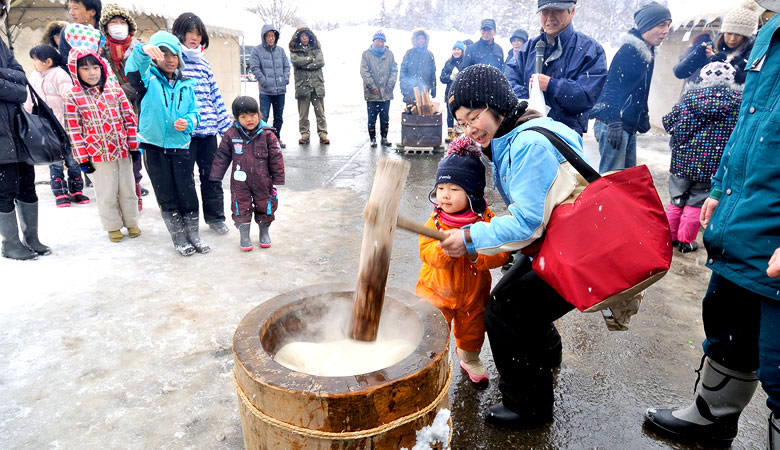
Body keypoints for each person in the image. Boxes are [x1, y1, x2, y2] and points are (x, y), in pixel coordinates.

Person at [644, 5, 780, 447]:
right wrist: (721, 186)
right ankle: (712, 416)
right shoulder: (770, 32)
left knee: (779, 362)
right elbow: (747, 123)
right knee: (727, 324)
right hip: (746, 217)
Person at [439, 64, 588, 429]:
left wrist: (471, 238)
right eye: (461, 121)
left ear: (497, 105)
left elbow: (527, 222)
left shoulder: (528, 144)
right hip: (562, 239)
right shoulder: (520, 131)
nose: (469, 128)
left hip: (576, 247)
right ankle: (547, 355)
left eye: (474, 116)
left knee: (505, 312)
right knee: (515, 299)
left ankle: (529, 408)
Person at [416, 136, 510, 384]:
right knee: (432, 331)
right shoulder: (435, 221)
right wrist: (442, 251)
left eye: (455, 189)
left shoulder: (485, 221)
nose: (445, 195)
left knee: (472, 333)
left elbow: (500, 253)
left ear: (472, 194)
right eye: (441, 188)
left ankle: (469, 358)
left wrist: (473, 252)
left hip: (473, 294)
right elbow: (425, 252)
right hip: (435, 292)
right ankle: (430, 360)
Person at [125, 31, 207, 256]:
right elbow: (132, 69)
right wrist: (142, 51)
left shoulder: (186, 84)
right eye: (164, 54)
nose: (170, 59)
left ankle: (193, 234)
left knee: (187, 191)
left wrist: (189, 122)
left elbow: (196, 112)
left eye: (174, 55)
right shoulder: (147, 79)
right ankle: (178, 236)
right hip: (154, 146)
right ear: (156, 57)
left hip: (180, 146)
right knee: (166, 193)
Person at [662, 62, 742, 254]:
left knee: (676, 200)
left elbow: (669, 123)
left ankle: (667, 237)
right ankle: (686, 241)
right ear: (730, 78)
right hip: (711, 165)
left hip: (682, 161)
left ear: (703, 78)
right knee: (696, 202)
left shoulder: (690, 98)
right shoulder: (738, 102)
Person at [63, 45, 140, 242]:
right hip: (97, 155)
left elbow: (129, 119)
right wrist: (82, 158)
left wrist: (133, 146)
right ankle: (113, 225)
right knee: (107, 193)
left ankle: (132, 221)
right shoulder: (73, 97)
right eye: (85, 68)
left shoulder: (114, 91)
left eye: (95, 67)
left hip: (122, 151)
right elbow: (74, 130)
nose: (91, 72)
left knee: (128, 190)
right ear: (75, 71)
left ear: (102, 68)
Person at [505, 0, 607, 136]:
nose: (550, 18)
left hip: (565, 138)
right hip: (526, 134)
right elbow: (507, 84)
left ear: (572, 11)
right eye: (545, 12)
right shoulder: (528, 49)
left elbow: (586, 98)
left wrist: (552, 85)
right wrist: (531, 101)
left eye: (557, 11)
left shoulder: (590, 50)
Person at [591, 2, 671, 173]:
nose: (666, 31)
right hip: (612, 123)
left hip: (627, 124)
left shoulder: (647, 52)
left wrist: (643, 115)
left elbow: (641, 89)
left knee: (627, 179)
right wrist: (613, 122)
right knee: (612, 179)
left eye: (668, 25)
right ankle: (602, 201)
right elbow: (610, 88)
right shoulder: (629, 51)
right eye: (662, 24)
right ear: (647, 25)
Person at [172, 12, 232, 235]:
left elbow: (215, 95)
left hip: (208, 132)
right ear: (180, 33)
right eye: (190, 32)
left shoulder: (204, 63)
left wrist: (226, 127)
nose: (194, 37)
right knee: (185, 180)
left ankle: (215, 217)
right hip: (184, 133)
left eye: (198, 33)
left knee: (212, 175)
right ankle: (190, 220)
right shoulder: (174, 62)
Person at [0, 0, 51, 260]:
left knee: (26, 184)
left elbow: (21, 77)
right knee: (5, 187)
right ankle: (10, 244)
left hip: (16, 127)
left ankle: (32, 238)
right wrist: (11, 82)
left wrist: (7, 80)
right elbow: (14, 80)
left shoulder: (0, 42)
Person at [210, 97, 285, 251]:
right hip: (240, 182)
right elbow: (222, 156)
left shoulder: (268, 134)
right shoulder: (231, 134)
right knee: (240, 207)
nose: (249, 120)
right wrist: (216, 175)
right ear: (237, 118)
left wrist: (278, 177)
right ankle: (244, 235)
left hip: (263, 180)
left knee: (266, 205)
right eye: (243, 117)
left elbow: (276, 156)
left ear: (258, 114)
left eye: (252, 115)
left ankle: (264, 231)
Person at [24, 45, 87, 208]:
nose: (34, 64)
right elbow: (29, 98)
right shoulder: (34, 76)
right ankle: (59, 192)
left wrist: (76, 118)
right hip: (47, 127)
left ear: (48, 61)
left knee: (73, 160)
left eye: (36, 60)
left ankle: (76, 190)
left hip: (67, 125)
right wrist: (28, 115)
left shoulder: (60, 74)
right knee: (55, 160)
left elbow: (69, 97)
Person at [99, 3, 147, 211]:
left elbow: (143, 79)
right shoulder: (101, 53)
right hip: (110, 111)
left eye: (122, 22)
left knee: (136, 151)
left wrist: (120, 90)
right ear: (106, 28)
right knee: (117, 154)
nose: (118, 26)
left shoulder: (139, 49)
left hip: (138, 109)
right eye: (113, 22)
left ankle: (135, 193)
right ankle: (119, 198)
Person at [674, 0, 761, 86]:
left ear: (746, 36)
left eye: (738, 35)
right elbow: (680, 73)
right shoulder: (709, 47)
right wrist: (696, 55)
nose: (732, 39)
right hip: (703, 98)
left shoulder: (754, 54)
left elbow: (752, 82)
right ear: (723, 32)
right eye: (729, 33)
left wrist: (723, 65)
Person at [249, 24, 290, 149]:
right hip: (266, 91)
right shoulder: (257, 50)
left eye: (273, 36)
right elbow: (254, 67)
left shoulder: (280, 51)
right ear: (264, 37)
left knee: (279, 117)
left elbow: (286, 66)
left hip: (280, 90)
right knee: (264, 116)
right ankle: (262, 139)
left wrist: (285, 79)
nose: (271, 38)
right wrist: (263, 80)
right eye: (268, 36)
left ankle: (276, 138)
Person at [289, 27, 328, 145]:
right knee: (303, 113)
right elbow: (296, 62)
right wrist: (311, 59)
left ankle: (323, 134)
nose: (304, 38)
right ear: (299, 38)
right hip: (302, 86)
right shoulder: (295, 50)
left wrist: (305, 64)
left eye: (306, 35)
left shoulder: (316, 48)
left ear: (310, 37)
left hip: (317, 85)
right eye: (302, 36)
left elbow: (321, 62)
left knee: (320, 112)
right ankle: (304, 134)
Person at [360, 30, 398, 148]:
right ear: (373, 41)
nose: (380, 43)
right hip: (372, 94)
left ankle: (384, 138)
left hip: (386, 93)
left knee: (385, 117)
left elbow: (394, 70)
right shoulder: (366, 54)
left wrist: (390, 85)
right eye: (378, 41)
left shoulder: (389, 54)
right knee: (372, 117)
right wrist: (372, 86)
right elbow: (364, 72)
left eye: (382, 41)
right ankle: (372, 139)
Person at [400, 29, 436, 105]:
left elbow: (433, 73)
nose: (420, 41)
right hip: (411, 91)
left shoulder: (429, 55)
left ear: (426, 40)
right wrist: (404, 90)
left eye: (422, 38)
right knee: (411, 114)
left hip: (424, 91)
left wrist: (433, 87)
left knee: (424, 114)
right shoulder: (409, 53)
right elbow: (403, 72)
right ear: (415, 40)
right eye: (418, 38)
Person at [440, 41, 466, 142]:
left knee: (461, 113)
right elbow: (442, 78)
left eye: (458, 49)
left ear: (462, 51)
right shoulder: (448, 63)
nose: (456, 51)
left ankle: (459, 133)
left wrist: (460, 77)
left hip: (461, 93)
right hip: (449, 92)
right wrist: (450, 77)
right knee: (450, 113)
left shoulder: (465, 62)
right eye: (454, 49)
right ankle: (450, 134)